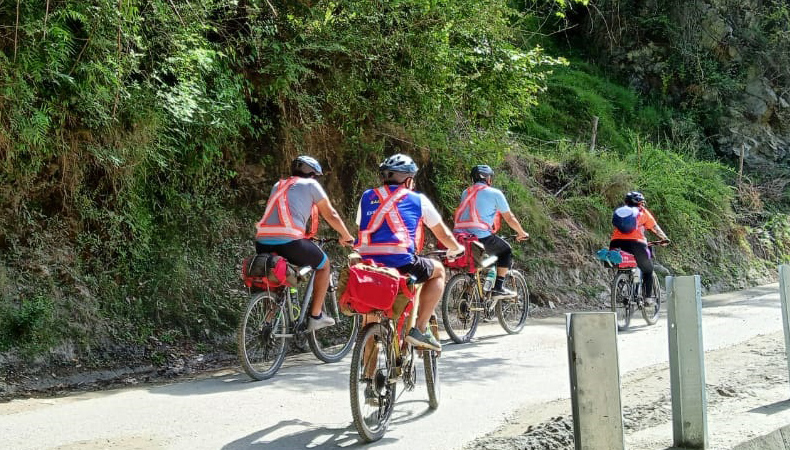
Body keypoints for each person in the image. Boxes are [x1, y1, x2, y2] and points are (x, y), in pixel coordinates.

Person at [355, 154, 464, 351]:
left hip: (366, 263)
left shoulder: (367, 197)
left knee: (370, 315)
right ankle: (420, 328)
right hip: (401, 261)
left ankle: (368, 377)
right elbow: (442, 233)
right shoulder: (417, 199)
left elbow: (361, 225)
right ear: (408, 180)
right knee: (438, 271)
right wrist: (456, 248)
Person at [255, 155, 355, 331]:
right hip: (289, 241)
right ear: (312, 174)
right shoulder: (311, 185)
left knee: (277, 276)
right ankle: (316, 316)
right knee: (324, 266)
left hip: (262, 241)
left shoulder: (278, 185)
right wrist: (346, 235)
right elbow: (330, 214)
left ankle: (267, 322)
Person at [453, 165, 529, 299]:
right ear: (488, 178)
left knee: (475, 263)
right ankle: (498, 288)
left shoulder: (466, 192)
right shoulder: (495, 193)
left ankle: (467, 296)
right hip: (481, 236)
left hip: (460, 236)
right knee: (505, 251)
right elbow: (509, 218)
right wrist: (521, 232)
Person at [609, 191, 670, 306]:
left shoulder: (621, 212)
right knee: (648, 269)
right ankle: (647, 298)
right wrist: (664, 238)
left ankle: (621, 285)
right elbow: (655, 228)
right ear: (640, 203)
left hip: (615, 242)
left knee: (624, 265)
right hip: (636, 243)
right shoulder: (642, 212)